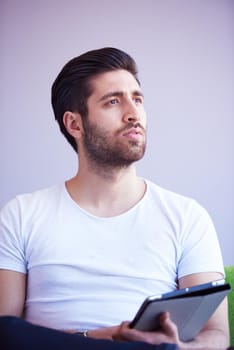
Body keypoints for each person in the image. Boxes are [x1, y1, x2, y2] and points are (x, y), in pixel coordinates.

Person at [0, 47, 230, 349]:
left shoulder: (187, 215)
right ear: (74, 124)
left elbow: (217, 335)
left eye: (137, 99)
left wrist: (180, 347)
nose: (133, 113)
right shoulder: (21, 213)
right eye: (113, 101)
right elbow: (5, 330)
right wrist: (95, 338)